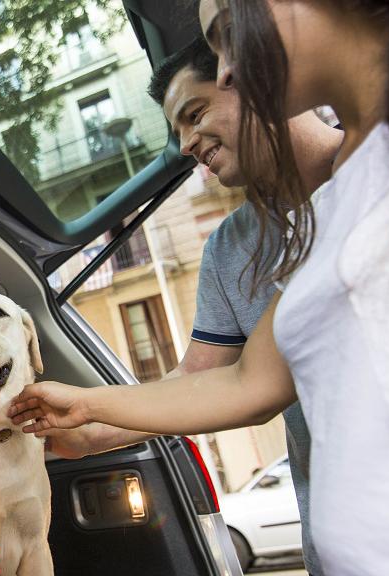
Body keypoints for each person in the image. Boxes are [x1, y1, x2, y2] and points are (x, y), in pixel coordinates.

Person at [11, 1, 389, 573]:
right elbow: (247, 381)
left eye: (228, 36)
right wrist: (86, 412)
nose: (227, 68)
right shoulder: (335, 203)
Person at [47, 34, 340, 575]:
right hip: (341, 549)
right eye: (175, 129)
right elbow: (223, 383)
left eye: (194, 112)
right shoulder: (230, 248)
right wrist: (84, 432)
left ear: (252, 78)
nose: (184, 145)